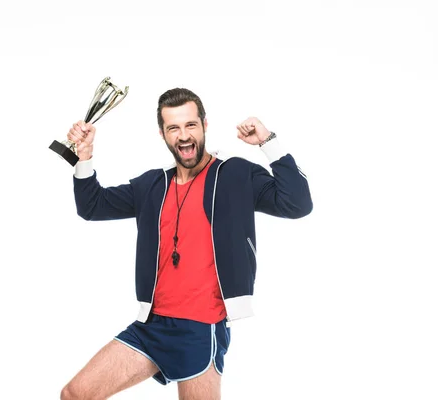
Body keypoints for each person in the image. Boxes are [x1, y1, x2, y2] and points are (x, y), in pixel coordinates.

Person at [59, 88, 313, 400]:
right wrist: (83, 157)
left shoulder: (234, 175)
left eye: (190, 125)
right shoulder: (152, 185)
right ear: (163, 134)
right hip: (151, 326)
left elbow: (298, 203)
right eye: (173, 128)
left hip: (201, 328)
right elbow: (92, 206)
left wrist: (268, 141)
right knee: (75, 394)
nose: (183, 135)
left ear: (205, 125)